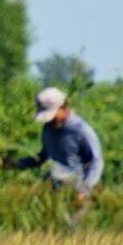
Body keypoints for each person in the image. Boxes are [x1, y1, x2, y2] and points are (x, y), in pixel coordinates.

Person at [15, 85, 102, 226]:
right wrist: (18, 164)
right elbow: (43, 156)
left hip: (75, 191)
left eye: (52, 115)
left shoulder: (82, 131)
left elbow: (96, 162)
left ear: (64, 107)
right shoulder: (48, 129)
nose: (50, 120)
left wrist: (84, 190)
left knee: (71, 230)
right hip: (51, 190)